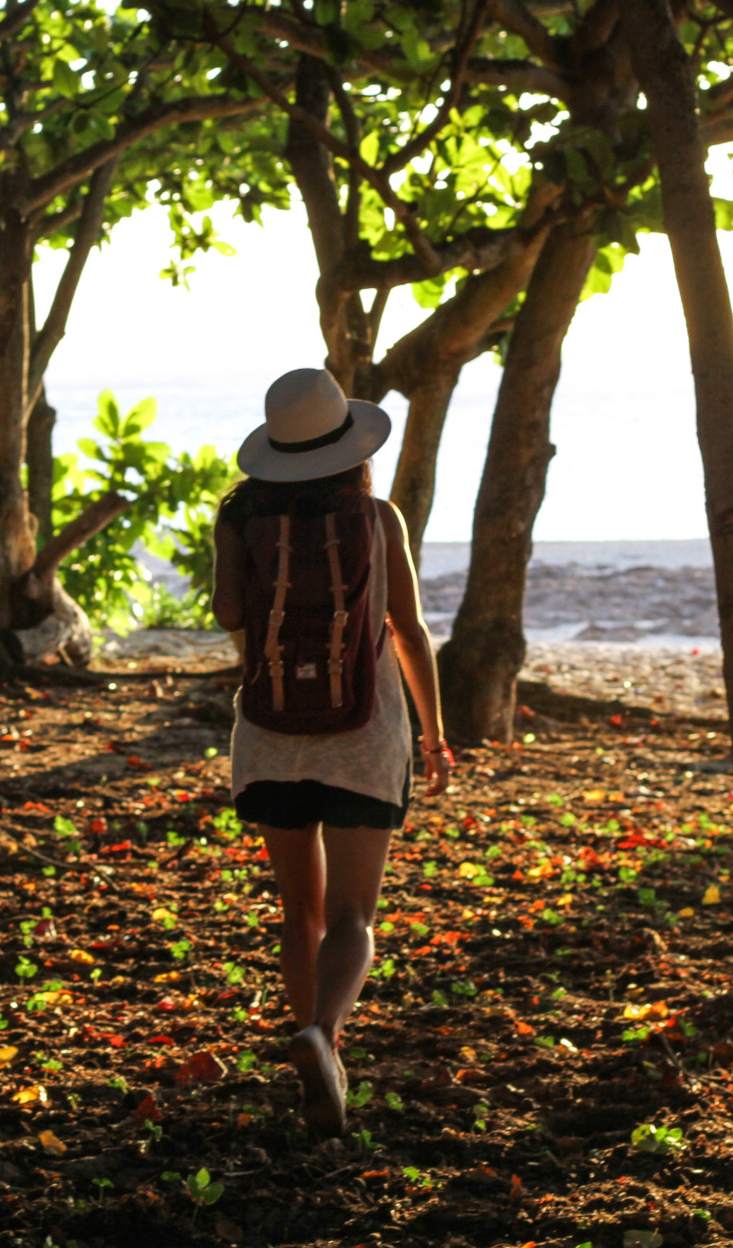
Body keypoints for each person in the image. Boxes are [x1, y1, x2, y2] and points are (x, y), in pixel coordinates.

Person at [211, 367, 451, 1139]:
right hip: (364, 732)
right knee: (353, 913)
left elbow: (227, 614)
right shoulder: (379, 520)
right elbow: (410, 632)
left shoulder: (239, 517)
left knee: (298, 908)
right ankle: (325, 1035)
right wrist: (435, 730)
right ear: (351, 448)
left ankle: (317, 1052)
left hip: (270, 732)